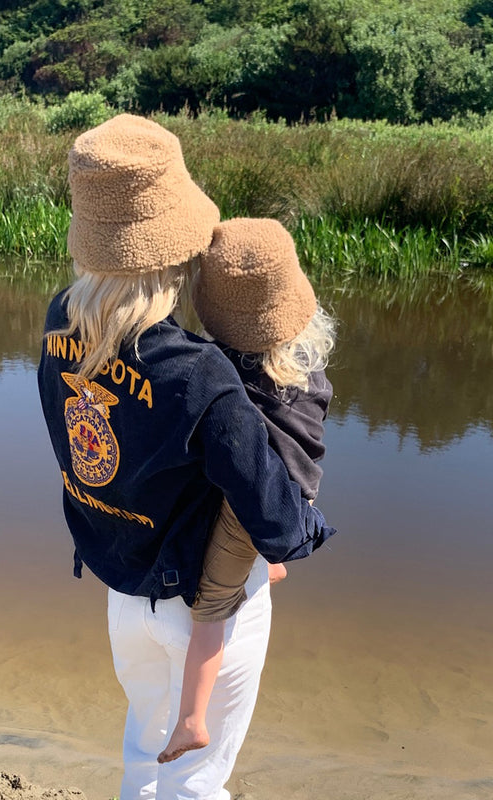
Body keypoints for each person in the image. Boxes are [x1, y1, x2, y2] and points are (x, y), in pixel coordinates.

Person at [37, 114, 336, 800]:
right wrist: (305, 526)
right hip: (205, 605)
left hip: (123, 589)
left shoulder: (62, 320)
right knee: (199, 781)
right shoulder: (204, 375)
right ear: (178, 250)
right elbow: (279, 524)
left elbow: (82, 448)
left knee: (146, 759)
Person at [158, 217, 335, 764]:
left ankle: (191, 720)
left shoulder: (219, 369)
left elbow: (230, 462)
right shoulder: (307, 365)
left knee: (211, 607)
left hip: (255, 502)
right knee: (256, 545)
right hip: (298, 489)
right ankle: (271, 560)